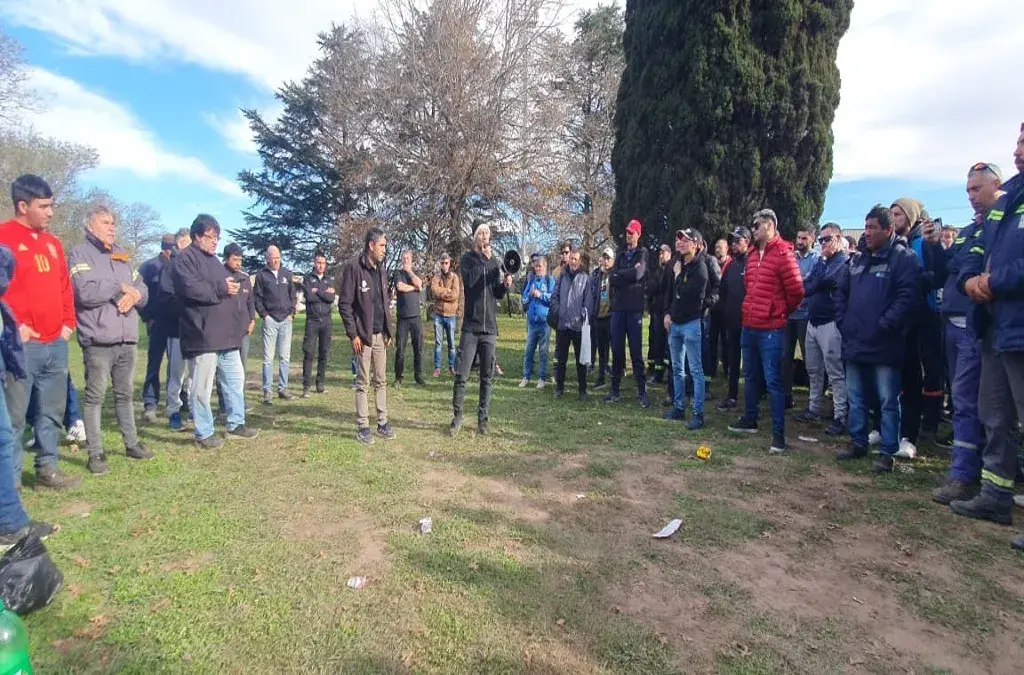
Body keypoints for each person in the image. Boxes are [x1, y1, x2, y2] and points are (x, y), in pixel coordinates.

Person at [949, 127, 1024, 547]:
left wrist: (995, 282)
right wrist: (970, 283)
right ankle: (995, 494)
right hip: (995, 327)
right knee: (993, 413)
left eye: (1023, 142)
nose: (1016, 151)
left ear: (990, 185)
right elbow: (972, 252)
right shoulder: (1007, 202)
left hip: (1018, 321)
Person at [0, 175, 81, 490]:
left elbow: (64, 286)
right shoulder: (4, 238)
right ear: (23, 206)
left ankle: (48, 468)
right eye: (43, 206)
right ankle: (11, 481)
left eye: (51, 206)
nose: (50, 213)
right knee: (15, 417)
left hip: (55, 343)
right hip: (21, 347)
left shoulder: (52, 243)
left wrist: (67, 324)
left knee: (51, 411)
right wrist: (12, 326)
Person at [68, 204, 154, 475]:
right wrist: (117, 287)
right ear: (90, 226)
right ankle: (96, 454)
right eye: (105, 222)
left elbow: (142, 286)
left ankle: (131, 443)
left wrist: (136, 295)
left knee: (125, 394)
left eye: (113, 222)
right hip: (98, 339)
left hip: (126, 338)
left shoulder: (122, 254)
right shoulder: (79, 253)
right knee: (95, 397)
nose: (112, 227)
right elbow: (84, 292)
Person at [932, 163, 1001, 504]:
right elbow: (952, 268)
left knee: (976, 403)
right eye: (968, 191)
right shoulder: (971, 232)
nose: (972, 196)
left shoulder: (1001, 227)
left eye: (977, 189)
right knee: (963, 401)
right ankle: (966, 473)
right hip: (953, 324)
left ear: (997, 185)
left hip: (979, 329)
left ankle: (968, 476)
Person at [835, 205, 920, 473]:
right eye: (866, 226)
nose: (867, 232)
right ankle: (858, 442)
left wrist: (884, 325)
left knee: (888, 400)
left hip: (885, 343)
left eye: (873, 227)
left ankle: (887, 452)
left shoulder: (902, 258)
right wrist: (844, 322)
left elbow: (907, 297)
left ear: (888, 229)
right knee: (857, 397)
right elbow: (840, 293)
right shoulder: (857, 260)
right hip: (855, 341)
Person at [172, 215, 258, 449]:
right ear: (197, 236)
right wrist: (222, 288)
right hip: (202, 336)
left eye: (217, 238)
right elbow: (190, 288)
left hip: (227, 338)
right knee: (202, 386)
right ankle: (204, 431)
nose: (214, 243)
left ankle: (236, 422)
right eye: (210, 237)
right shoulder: (184, 260)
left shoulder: (214, 262)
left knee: (235, 379)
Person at [727, 209, 804, 454]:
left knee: (773, 380)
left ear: (770, 225)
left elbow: (796, 292)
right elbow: (749, 286)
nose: (753, 229)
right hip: (749, 325)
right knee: (749, 375)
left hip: (771, 328)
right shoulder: (751, 255)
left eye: (757, 225)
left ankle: (778, 435)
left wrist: (778, 311)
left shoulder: (783, 253)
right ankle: (750, 419)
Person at [890, 198, 945, 456]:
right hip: (904, 320)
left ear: (910, 217)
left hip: (927, 317)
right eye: (890, 214)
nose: (893, 219)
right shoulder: (894, 244)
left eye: (898, 214)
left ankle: (930, 425)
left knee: (931, 372)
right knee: (908, 375)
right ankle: (904, 427)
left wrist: (918, 282)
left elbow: (936, 275)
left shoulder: (923, 242)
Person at [448, 224, 512, 436]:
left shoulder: (494, 262)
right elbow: (472, 282)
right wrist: (484, 260)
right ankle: (457, 418)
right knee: (462, 375)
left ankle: (482, 420)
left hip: (490, 329)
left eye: (487, 233)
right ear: (475, 238)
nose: (485, 237)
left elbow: (497, 294)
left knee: (487, 377)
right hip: (471, 327)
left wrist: (504, 285)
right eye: (481, 233)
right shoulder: (468, 259)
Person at [338, 228, 395, 444]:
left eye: (385, 246)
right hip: (363, 337)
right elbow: (345, 304)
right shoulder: (354, 268)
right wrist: (353, 334)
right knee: (363, 382)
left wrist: (388, 330)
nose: (384, 250)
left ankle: (382, 422)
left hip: (380, 335)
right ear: (371, 245)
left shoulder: (381, 269)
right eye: (382, 246)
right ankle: (363, 425)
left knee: (381, 380)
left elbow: (384, 302)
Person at [793, 223, 849, 436]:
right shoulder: (822, 261)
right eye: (822, 240)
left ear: (838, 238)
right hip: (813, 321)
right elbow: (807, 288)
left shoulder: (842, 262)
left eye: (828, 239)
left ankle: (840, 415)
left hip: (830, 323)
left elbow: (820, 282)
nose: (824, 243)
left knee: (835, 373)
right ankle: (814, 408)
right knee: (813, 370)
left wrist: (816, 276)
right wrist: (816, 275)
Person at [661, 228, 708, 429]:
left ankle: (698, 414)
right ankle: (679, 408)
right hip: (676, 324)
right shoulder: (678, 265)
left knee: (695, 370)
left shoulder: (700, 269)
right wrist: (667, 313)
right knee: (677, 369)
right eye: (679, 238)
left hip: (691, 324)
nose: (680, 243)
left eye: (686, 240)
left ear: (696, 244)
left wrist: (679, 275)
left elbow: (686, 293)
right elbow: (672, 294)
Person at [606, 219, 649, 407]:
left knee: (636, 352)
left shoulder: (643, 253)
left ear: (638, 234)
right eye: (627, 233)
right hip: (618, 309)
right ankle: (615, 390)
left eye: (632, 233)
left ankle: (642, 392)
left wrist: (623, 274)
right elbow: (613, 277)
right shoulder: (620, 254)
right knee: (616, 350)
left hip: (634, 310)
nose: (629, 236)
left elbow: (639, 275)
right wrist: (627, 274)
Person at [138, 233, 176, 423]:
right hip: (157, 322)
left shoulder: (179, 265)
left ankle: (177, 402)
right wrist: (147, 318)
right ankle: (150, 403)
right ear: (164, 248)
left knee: (176, 366)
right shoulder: (149, 266)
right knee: (154, 364)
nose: (172, 251)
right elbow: (139, 293)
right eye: (170, 248)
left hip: (176, 323)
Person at [159, 228, 193, 431]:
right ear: (180, 245)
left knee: (194, 374)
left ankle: (190, 406)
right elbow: (167, 297)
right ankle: (173, 411)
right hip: (176, 330)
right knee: (176, 374)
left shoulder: (196, 267)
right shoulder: (171, 268)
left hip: (196, 330)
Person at [782, 225, 820, 408]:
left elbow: (810, 282)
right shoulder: (791, 257)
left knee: (810, 359)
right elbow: (786, 280)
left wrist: (797, 281)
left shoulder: (816, 259)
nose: (800, 242)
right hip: (789, 314)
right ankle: (786, 396)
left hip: (806, 315)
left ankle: (814, 401)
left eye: (804, 238)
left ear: (812, 239)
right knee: (785, 357)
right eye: (798, 237)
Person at [216, 244, 255, 414]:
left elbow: (250, 301)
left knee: (241, 368)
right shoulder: (219, 276)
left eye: (240, 259)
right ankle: (224, 403)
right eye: (235, 259)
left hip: (243, 330)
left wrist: (252, 319)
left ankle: (240, 401)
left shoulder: (244, 278)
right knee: (224, 369)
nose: (238, 263)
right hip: (224, 331)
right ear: (226, 258)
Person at [254, 245, 296, 404]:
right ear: (268, 259)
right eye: (273, 257)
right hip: (270, 320)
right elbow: (257, 297)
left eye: (278, 257)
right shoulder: (261, 276)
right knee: (268, 358)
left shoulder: (287, 274)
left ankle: (283, 388)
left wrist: (292, 313)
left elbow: (293, 295)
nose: (276, 260)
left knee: (285, 357)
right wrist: (264, 315)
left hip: (286, 320)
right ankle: (267, 390)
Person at [549, 247, 590, 401]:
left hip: (578, 326)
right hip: (563, 325)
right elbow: (554, 296)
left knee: (581, 361)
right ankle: (559, 389)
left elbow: (588, 301)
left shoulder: (585, 278)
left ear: (579, 261)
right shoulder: (562, 276)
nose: (572, 261)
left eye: (575, 259)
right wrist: (559, 311)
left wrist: (583, 315)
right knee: (561, 360)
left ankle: (582, 390)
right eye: (571, 258)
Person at [717, 227, 749, 411]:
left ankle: (755, 397)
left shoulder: (752, 262)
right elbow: (723, 291)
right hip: (732, 320)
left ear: (747, 241)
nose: (734, 244)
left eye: (738, 241)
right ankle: (732, 395)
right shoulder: (731, 265)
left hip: (750, 321)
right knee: (733, 358)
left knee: (751, 362)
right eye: (732, 241)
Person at [301, 252, 334, 397]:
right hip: (312, 321)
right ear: (314, 263)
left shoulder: (329, 279)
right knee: (309, 353)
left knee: (324, 353)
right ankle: (306, 386)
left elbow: (331, 298)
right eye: (319, 263)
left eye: (323, 263)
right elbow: (309, 296)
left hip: (326, 321)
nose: (321, 266)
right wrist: (323, 292)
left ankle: (320, 384)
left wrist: (318, 291)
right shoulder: (308, 279)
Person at [520, 255, 554, 389]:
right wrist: (529, 296)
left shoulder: (549, 280)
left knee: (543, 352)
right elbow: (524, 296)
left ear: (545, 267)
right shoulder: (532, 280)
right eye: (536, 266)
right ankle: (526, 377)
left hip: (545, 323)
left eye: (540, 266)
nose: (537, 269)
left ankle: (542, 378)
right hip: (532, 323)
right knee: (529, 351)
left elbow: (553, 298)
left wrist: (541, 295)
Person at [393, 250, 426, 387]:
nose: (405, 260)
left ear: (412, 260)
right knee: (400, 349)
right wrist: (413, 288)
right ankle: (398, 377)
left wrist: (411, 273)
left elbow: (420, 284)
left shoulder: (416, 273)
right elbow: (399, 287)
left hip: (416, 317)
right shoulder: (397, 273)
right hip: (402, 318)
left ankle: (418, 376)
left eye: (408, 258)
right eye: (403, 258)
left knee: (418, 348)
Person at [589, 248, 615, 389]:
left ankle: (615, 376)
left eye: (608, 258)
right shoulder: (597, 275)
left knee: (614, 347)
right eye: (604, 258)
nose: (606, 261)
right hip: (599, 316)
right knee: (601, 349)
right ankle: (601, 377)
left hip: (611, 316)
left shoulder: (615, 275)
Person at [431, 253, 460, 377]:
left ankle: (452, 367)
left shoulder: (454, 277)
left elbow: (455, 294)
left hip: (451, 315)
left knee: (451, 343)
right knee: (438, 343)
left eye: (446, 263)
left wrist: (441, 294)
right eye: (442, 263)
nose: (444, 265)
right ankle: (437, 368)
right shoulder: (436, 277)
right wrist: (445, 291)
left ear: (450, 263)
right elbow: (434, 291)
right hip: (438, 314)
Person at [646, 244, 672, 385]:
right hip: (656, 312)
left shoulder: (673, 269)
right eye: (660, 253)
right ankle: (658, 374)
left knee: (669, 346)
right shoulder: (656, 271)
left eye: (664, 253)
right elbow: (650, 289)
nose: (661, 256)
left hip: (668, 313)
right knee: (657, 345)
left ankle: (669, 374)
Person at [708, 238, 731, 379]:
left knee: (726, 340)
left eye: (720, 247)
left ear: (727, 248)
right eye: (716, 247)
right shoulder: (712, 263)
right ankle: (712, 369)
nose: (717, 249)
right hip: (713, 309)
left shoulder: (731, 264)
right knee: (712, 340)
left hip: (727, 309)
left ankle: (727, 368)